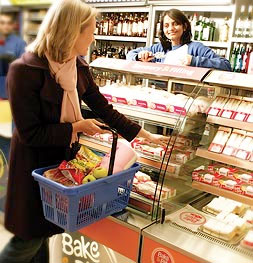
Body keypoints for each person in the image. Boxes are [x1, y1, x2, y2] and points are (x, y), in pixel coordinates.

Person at [0, 1, 169, 263]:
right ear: (71, 31)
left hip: (63, 166)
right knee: (28, 238)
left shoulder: (77, 66)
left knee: (41, 235)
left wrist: (144, 135)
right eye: (89, 31)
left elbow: (103, 107)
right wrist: (76, 128)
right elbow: (30, 133)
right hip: (34, 171)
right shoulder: (24, 71)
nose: (93, 36)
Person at [127, 9, 231, 71]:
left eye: (175, 24)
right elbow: (130, 54)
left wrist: (194, 61)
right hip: (161, 97)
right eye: (166, 26)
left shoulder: (196, 48)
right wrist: (139, 56)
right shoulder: (159, 48)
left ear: (184, 26)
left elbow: (226, 65)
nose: (171, 29)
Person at [0, 12, 26, 98]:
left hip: (10, 92)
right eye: (2, 23)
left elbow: (23, 70)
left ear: (13, 25)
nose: (5, 26)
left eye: (9, 23)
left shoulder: (20, 43)